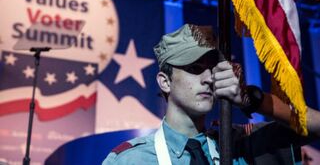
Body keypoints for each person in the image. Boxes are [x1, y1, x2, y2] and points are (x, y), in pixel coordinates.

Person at [102, 24, 320, 165]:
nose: (208, 78)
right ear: (165, 82)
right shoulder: (130, 160)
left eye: (212, 68)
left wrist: (251, 99)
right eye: (195, 69)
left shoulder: (240, 144)